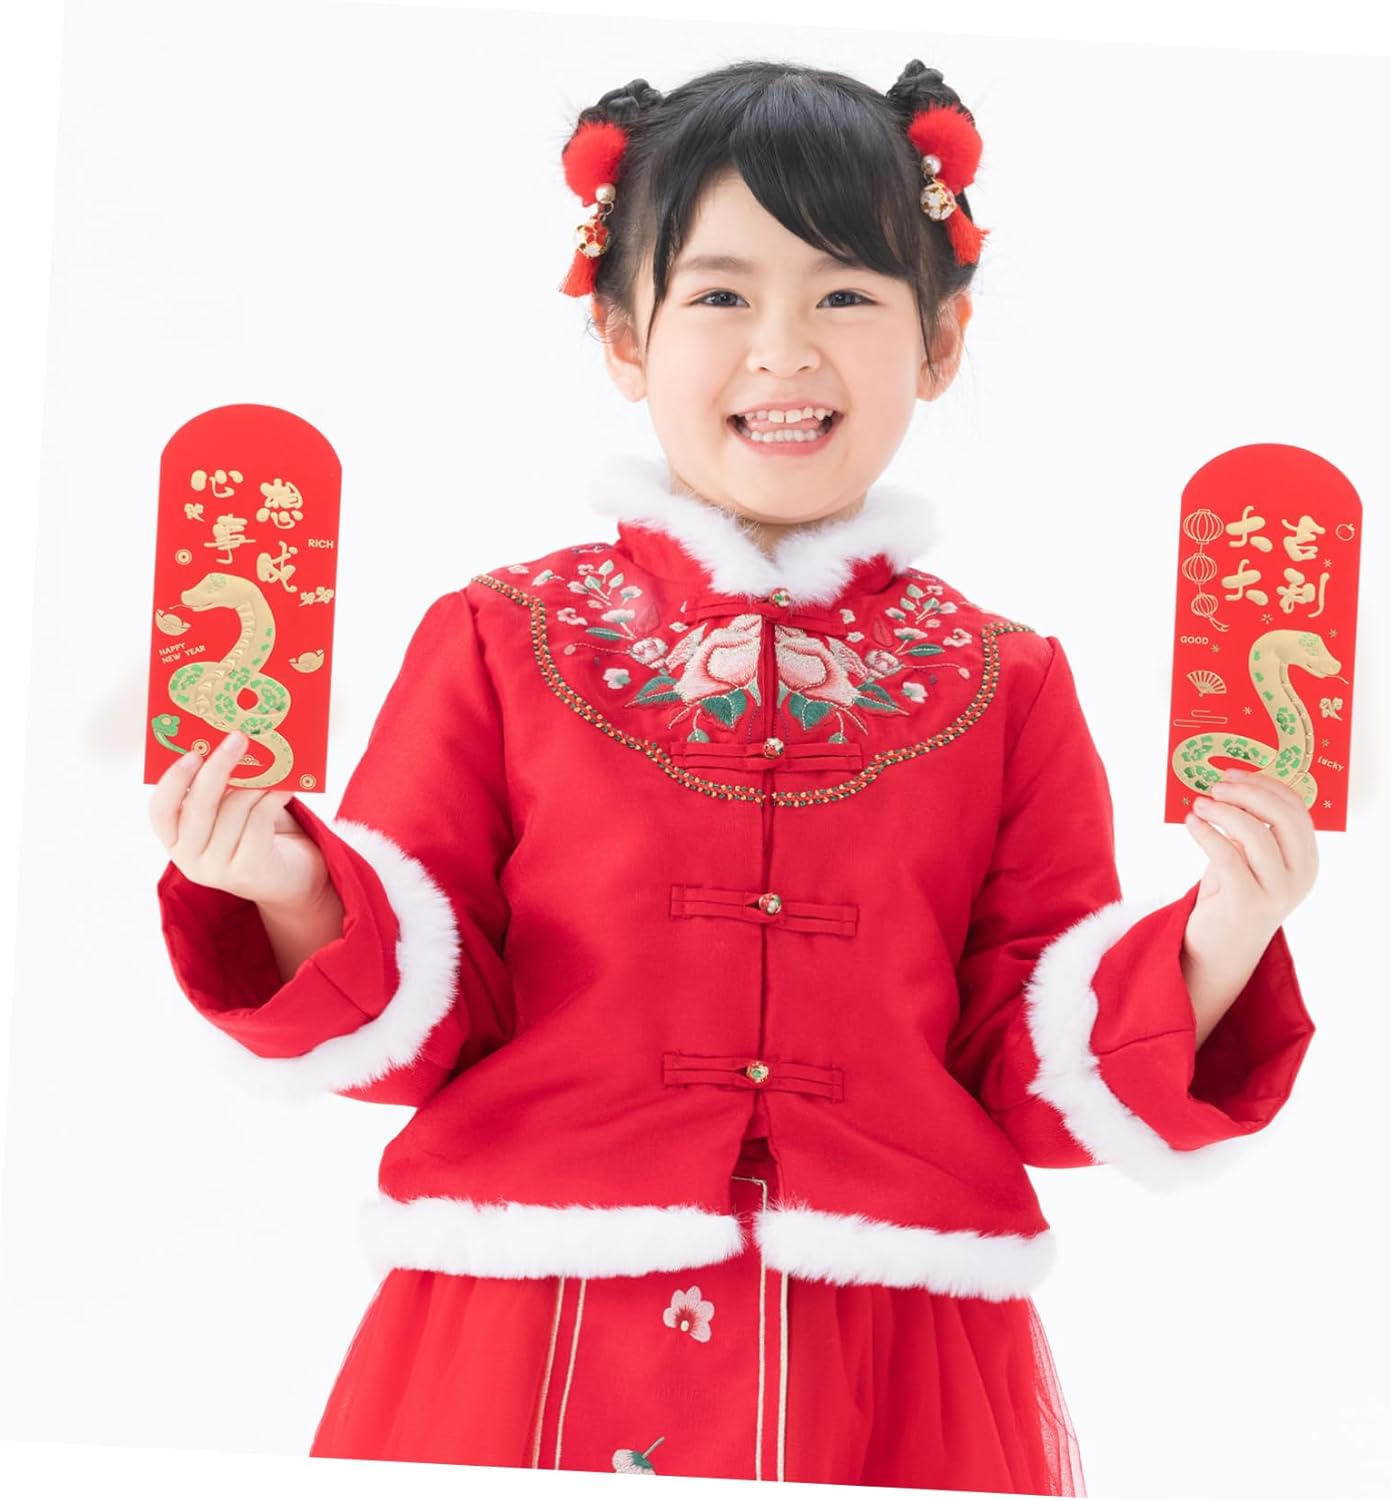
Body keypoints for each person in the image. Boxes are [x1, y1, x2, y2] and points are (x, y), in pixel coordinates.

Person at [148, 58, 1320, 1493]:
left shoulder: (1004, 681)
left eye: (847, 296)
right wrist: (282, 884)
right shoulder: (501, 639)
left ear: (941, 339)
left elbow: (1025, 1057)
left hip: (884, 1343)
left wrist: (1220, 936)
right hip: (533, 1321)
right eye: (718, 294)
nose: (784, 351)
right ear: (621, 335)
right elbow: (428, 1011)